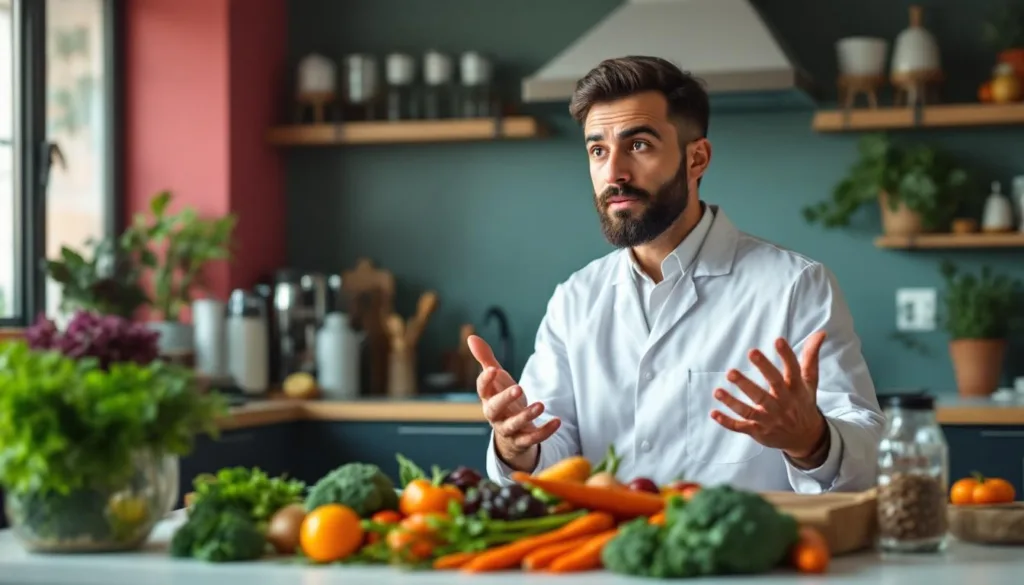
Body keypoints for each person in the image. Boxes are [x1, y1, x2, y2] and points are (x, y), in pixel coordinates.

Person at [469, 56, 884, 494]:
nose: (614, 173)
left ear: (696, 158)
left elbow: (869, 457)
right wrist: (516, 446)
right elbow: (552, 460)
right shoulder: (575, 299)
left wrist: (811, 440)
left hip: (746, 540)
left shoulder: (795, 287)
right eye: (598, 151)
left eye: (638, 145)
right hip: (608, 540)